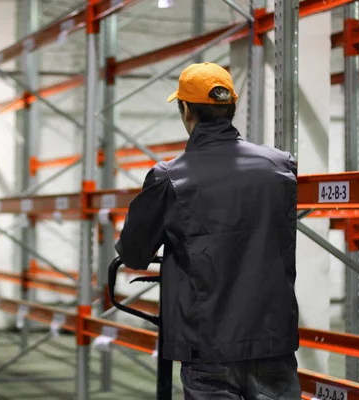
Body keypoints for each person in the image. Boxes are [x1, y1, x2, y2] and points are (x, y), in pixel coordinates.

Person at [114, 62, 301, 399]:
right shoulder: (281, 166)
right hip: (273, 341)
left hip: (207, 346)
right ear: (230, 107)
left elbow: (133, 252)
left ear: (186, 110)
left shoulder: (169, 177)